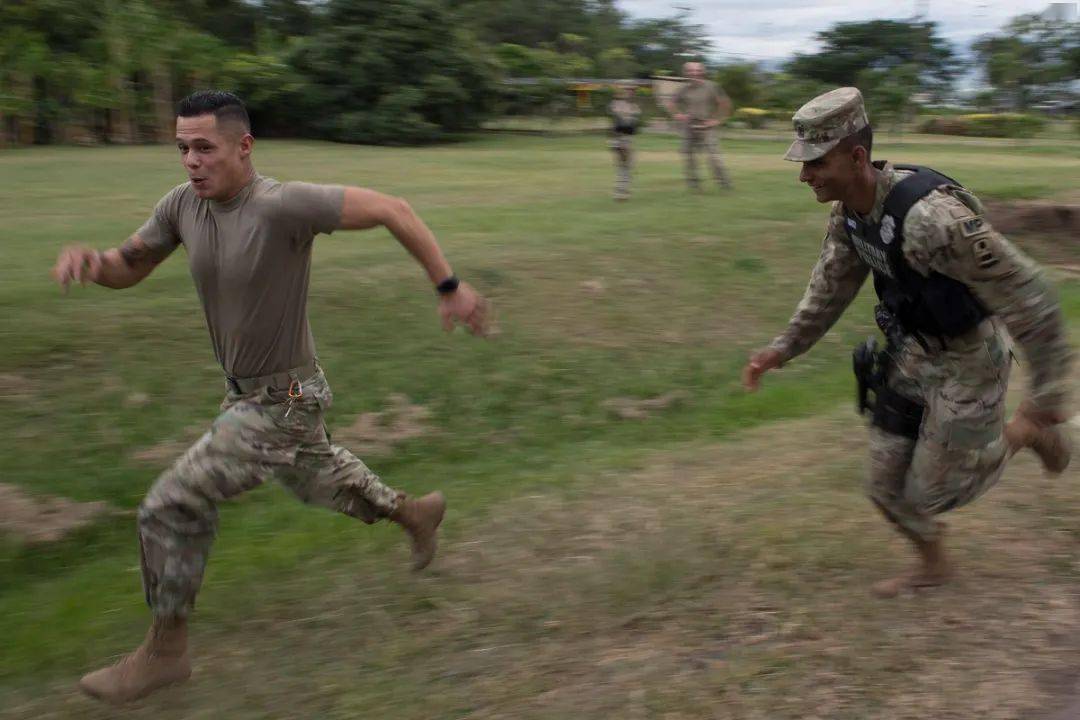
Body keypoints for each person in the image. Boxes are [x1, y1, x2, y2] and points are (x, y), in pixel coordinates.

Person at [52, 90, 490, 703]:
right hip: (249, 397)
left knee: (169, 503)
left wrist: (449, 285)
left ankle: (164, 653)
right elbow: (130, 263)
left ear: (244, 146)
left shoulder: (283, 206)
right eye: (182, 148)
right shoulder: (182, 207)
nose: (191, 162)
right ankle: (414, 514)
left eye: (205, 148)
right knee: (320, 478)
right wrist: (91, 262)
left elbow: (395, 208)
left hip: (284, 397)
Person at [742, 87, 1072, 599]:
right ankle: (934, 564)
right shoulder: (851, 215)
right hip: (915, 352)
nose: (804, 175)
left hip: (970, 359)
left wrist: (1048, 397)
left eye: (815, 163)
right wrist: (781, 349)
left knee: (933, 490)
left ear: (856, 158)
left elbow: (1030, 296)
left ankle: (1025, 434)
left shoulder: (933, 221)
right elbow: (829, 289)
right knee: (883, 483)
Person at [666, 61, 733, 191]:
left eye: (697, 71)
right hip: (689, 127)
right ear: (686, 73)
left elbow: (725, 104)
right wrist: (678, 115)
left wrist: (717, 120)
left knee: (714, 157)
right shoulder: (682, 89)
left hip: (706, 127)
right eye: (691, 71)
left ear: (702, 72)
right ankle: (694, 185)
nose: (694, 73)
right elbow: (671, 103)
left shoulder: (712, 87)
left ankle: (724, 183)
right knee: (689, 157)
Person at [608, 82, 641, 201]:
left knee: (626, 166)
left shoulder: (634, 106)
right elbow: (620, 124)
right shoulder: (618, 104)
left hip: (627, 138)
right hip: (620, 138)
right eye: (628, 90)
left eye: (633, 90)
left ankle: (622, 191)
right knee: (624, 166)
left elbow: (633, 126)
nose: (631, 92)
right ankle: (620, 192)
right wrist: (620, 142)